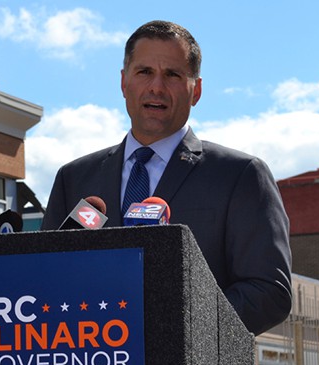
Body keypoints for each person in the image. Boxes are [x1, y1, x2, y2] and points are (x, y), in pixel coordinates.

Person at [40, 20, 291, 335]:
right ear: (123, 82)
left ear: (195, 90)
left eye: (172, 74)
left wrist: (178, 330)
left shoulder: (239, 175)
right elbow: (46, 280)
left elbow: (269, 292)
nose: (156, 87)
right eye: (144, 72)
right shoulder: (74, 178)